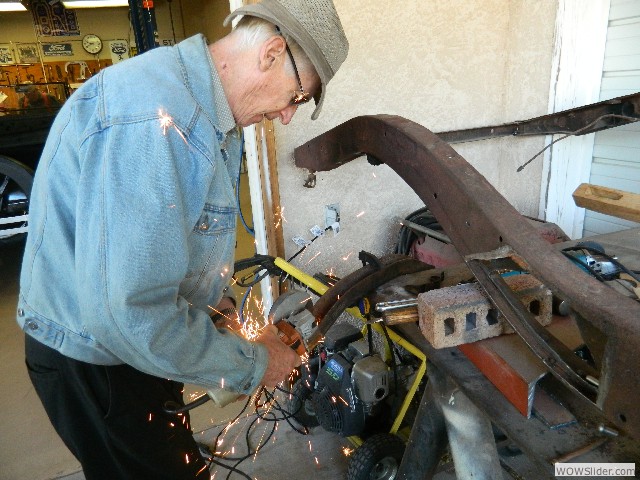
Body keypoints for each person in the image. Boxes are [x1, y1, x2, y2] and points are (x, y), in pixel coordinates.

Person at [17, 0, 349, 478]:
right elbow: (129, 315)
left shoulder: (207, 112)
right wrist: (255, 365)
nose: (287, 116)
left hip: (123, 351)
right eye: (297, 96)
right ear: (273, 53)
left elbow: (172, 243)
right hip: (95, 362)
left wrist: (216, 309)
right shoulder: (157, 123)